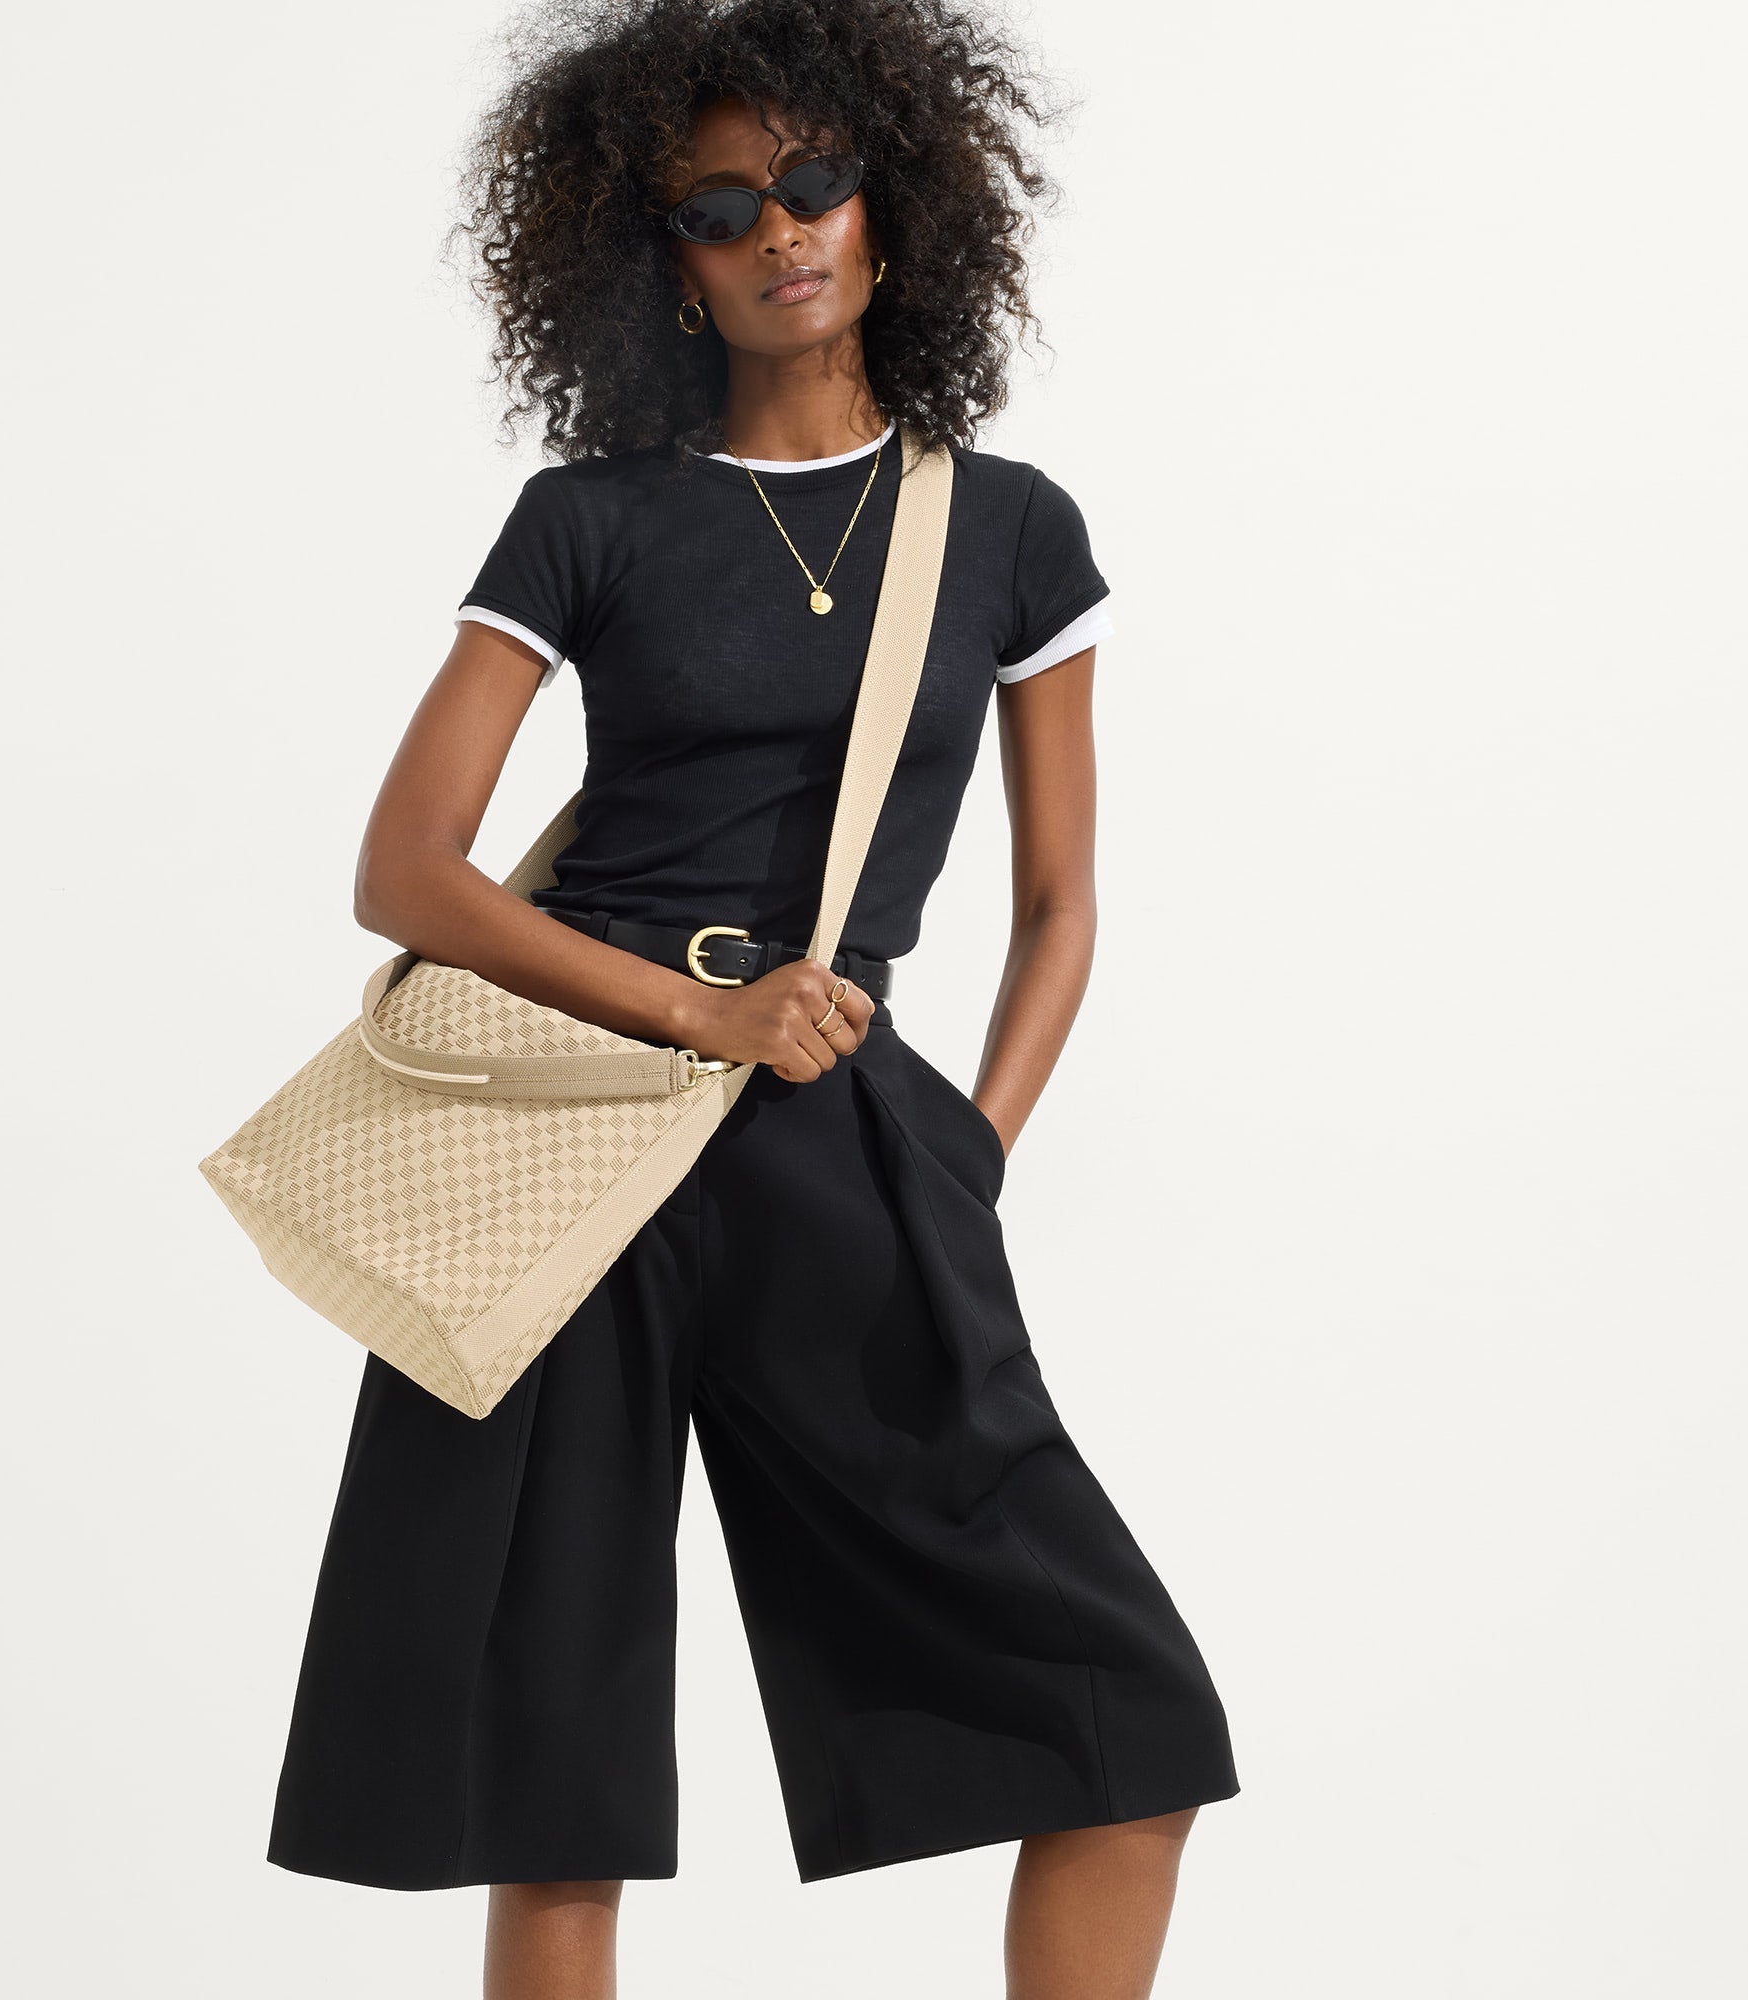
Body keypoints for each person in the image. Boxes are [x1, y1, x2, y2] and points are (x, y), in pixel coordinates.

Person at [263, 2, 1239, 1993]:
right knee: (550, 1787)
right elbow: (407, 871)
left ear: (892, 203)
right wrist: (701, 1015)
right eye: (720, 206)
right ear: (666, 260)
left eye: (815, 180)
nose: (779, 228)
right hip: (566, 1141)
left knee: (1121, 1728)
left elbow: (1061, 902)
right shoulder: (592, 515)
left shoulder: (1009, 526)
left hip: (840, 1139)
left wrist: (960, 1156)